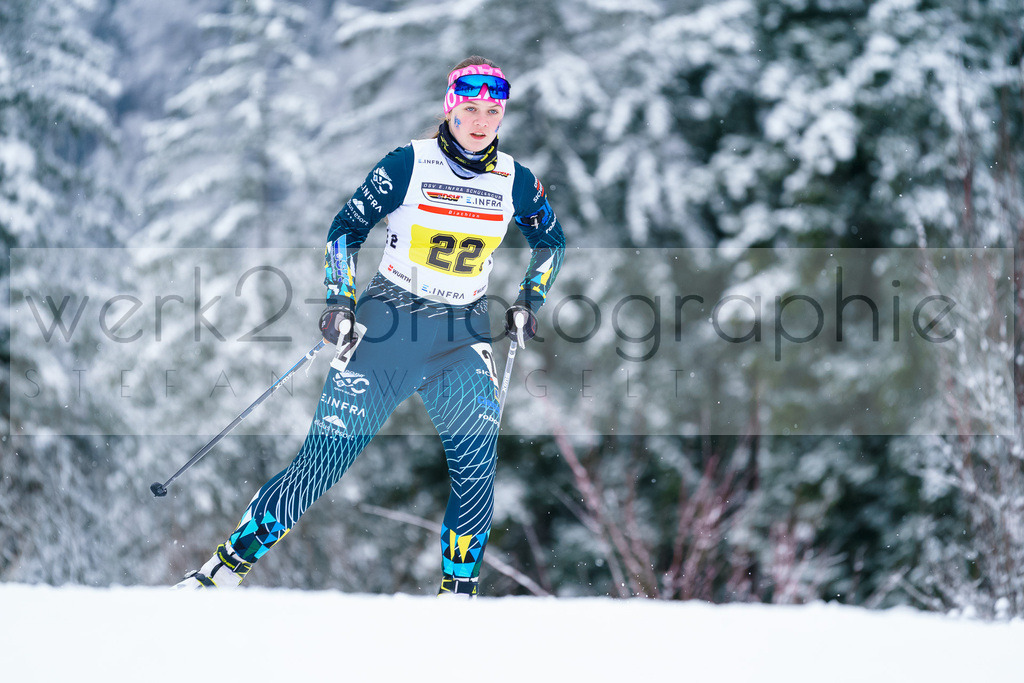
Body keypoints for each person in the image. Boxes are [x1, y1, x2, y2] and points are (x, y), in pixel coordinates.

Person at [176, 56, 565, 597]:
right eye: (471, 108)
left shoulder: (516, 180)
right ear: (450, 110)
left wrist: (530, 298)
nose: (481, 122)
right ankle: (220, 571)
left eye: (493, 111)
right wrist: (340, 299)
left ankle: (458, 598)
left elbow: (552, 242)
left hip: (461, 336)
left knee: (476, 467)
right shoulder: (408, 163)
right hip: (389, 325)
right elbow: (345, 229)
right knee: (324, 463)